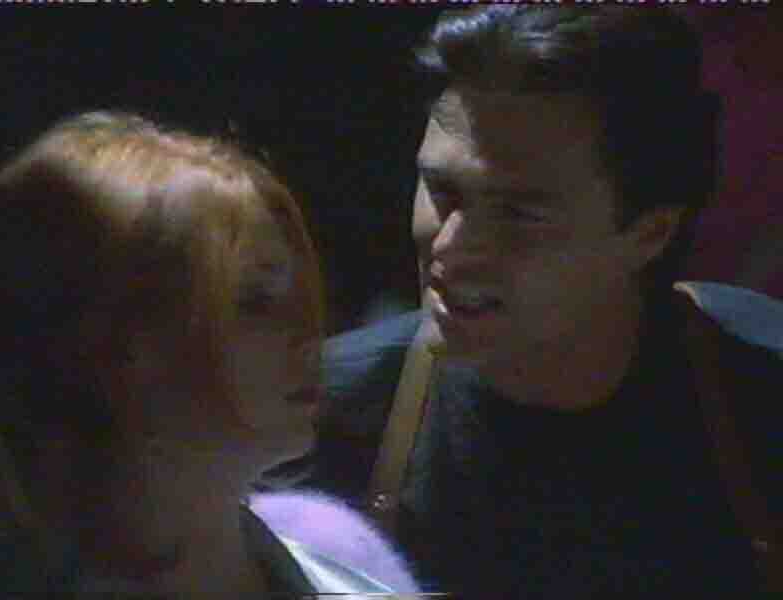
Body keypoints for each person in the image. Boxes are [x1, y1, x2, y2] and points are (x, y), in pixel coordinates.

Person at [287, 7, 783, 598]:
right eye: (442, 191)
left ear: (650, 232)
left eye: (520, 213)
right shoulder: (312, 423)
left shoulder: (758, 396)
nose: (450, 246)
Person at [0, 111, 418, 596]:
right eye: (253, 301)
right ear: (109, 342)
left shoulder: (350, 575)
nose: (305, 333)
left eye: (297, 296)